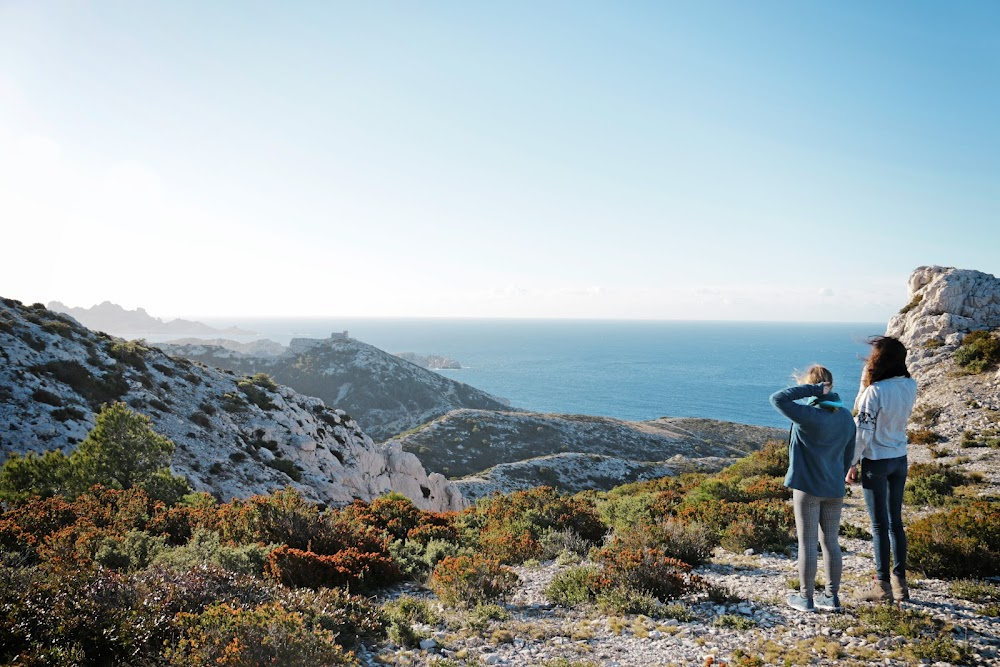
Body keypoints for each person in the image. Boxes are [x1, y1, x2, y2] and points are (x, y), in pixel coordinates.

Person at [770, 365, 856, 612]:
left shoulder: (808, 414)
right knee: (831, 541)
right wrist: (836, 478)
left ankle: (806, 598)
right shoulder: (845, 416)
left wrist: (813, 390)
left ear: (813, 385)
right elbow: (849, 454)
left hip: (807, 487)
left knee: (807, 543)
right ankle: (832, 597)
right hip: (834, 487)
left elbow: (777, 398)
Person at [846, 336, 917, 603]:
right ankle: (901, 584)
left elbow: (863, 433)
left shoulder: (874, 393)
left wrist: (852, 463)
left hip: (876, 460)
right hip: (900, 457)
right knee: (896, 524)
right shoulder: (911, 385)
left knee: (879, 526)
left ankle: (882, 586)